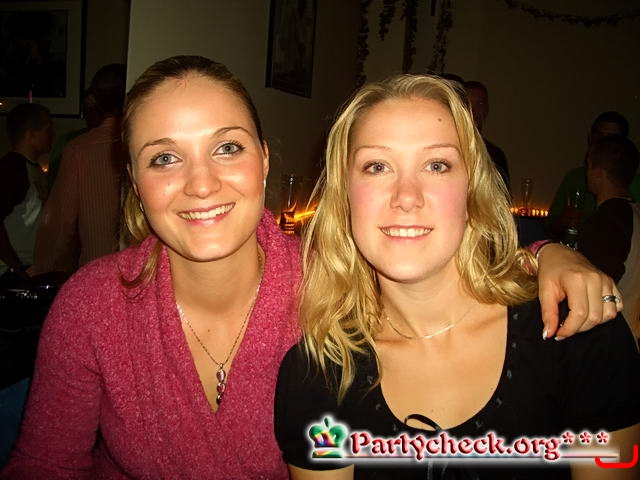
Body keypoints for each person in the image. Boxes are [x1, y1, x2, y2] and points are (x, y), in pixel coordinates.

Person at [0, 57, 624, 479]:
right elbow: (45, 467)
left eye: (227, 147)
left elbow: (430, 261)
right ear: (133, 181)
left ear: (265, 160)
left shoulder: (330, 282)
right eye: (164, 158)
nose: (201, 183)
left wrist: (546, 254)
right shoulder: (93, 306)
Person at [274, 74, 640, 479]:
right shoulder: (318, 375)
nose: (406, 197)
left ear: (471, 193)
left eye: (437, 165)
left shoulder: (578, 330)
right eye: (377, 166)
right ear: (345, 197)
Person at [30, 64, 127, 275]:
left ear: (96, 101)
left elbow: (60, 222)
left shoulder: (79, 149)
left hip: (97, 273)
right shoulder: (146, 142)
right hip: (147, 273)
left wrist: (41, 269)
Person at [578, 136, 640, 344]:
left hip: (611, 338)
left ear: (598, 173)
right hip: (630, 332)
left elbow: (594, 282)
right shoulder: (633, 213)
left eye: (588, 165)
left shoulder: (608, 219)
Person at [547, 111, 630, 240]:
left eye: (611, 138)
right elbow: (550, 227)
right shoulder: (574, 178)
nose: (603, 143)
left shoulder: (632, 185)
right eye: (599, 135)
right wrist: (563, 221)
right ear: (591, 138)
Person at [0, 103, 52, 283]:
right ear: (32, 134)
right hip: (10, 273)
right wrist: (17, 268)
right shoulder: (12, 169)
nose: (52, 135)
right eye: (47, 129)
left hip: (28, 269)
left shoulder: (34, 169)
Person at [46, 88, 103, 190]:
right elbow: (53, 183)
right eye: (88, 106)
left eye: (97, 107)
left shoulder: (116, 143)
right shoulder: (66, 141)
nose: (92, 112)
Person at [464, 80, 511, 191]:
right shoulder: (448, 149)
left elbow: (504, 196)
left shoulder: (495, 155)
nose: (474, 111)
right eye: (468, 104)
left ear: (487, 109)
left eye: (480, 104)